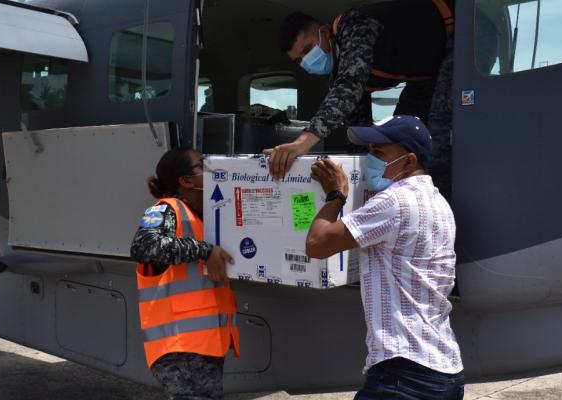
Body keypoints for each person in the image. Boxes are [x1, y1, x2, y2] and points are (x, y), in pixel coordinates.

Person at [305, 115, 464, 399]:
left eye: (379, 152)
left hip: (404, 374)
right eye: (368, 150)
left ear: (409, 161)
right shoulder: (439, 203)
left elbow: (317, 243)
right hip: (445, 370)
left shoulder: (394, 201)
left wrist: (336, 195)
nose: (370, 159)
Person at [265, 0, 455, 199]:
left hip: (458, 37)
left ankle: (440, 207)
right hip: (425, 78)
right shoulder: (339, 74)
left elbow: (349, 86)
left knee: (438, 139)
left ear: (323, 32)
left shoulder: (353, 25)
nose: (306, 60)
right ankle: (402, 204)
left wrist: (303, 141)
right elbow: (360, 132)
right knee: (397, 145)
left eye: (307, 49)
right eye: (299, 60)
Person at [130, 148, 240, 400]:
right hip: (179, 345)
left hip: (204, 344)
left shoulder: (204, 215)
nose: (211, 167)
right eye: (203, 164)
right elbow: (145, 246)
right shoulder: (166, 210)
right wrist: (205, 250)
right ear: (186, 181)